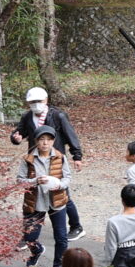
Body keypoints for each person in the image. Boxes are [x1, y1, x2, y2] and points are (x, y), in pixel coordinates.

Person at [10, 87, 87, 236]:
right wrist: (15, 138)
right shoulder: (27, 117)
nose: (35, 104)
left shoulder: (58, 116)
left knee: (61, 194)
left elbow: (70, 135)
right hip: (36, 159)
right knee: (33, 194)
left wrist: (77, 156)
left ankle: (76, 227)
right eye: (32, 102)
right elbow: (19, 132)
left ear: (46, 100)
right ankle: (29, 235)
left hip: (55, 159)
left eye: (38, 101)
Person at [17, 128, 74, 267]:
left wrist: (60, 185)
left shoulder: (60, 157)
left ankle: (59, 265)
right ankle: (37, 251)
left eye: (49, 139)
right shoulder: (27, 159)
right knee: (29, 237)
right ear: (36, 141)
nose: (45, 142)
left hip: (57, 202)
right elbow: (20, 181)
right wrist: (35, 181)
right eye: (42, 139)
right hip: (35, 202)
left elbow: (67, 178)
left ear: (53, 141)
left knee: (61, 237)